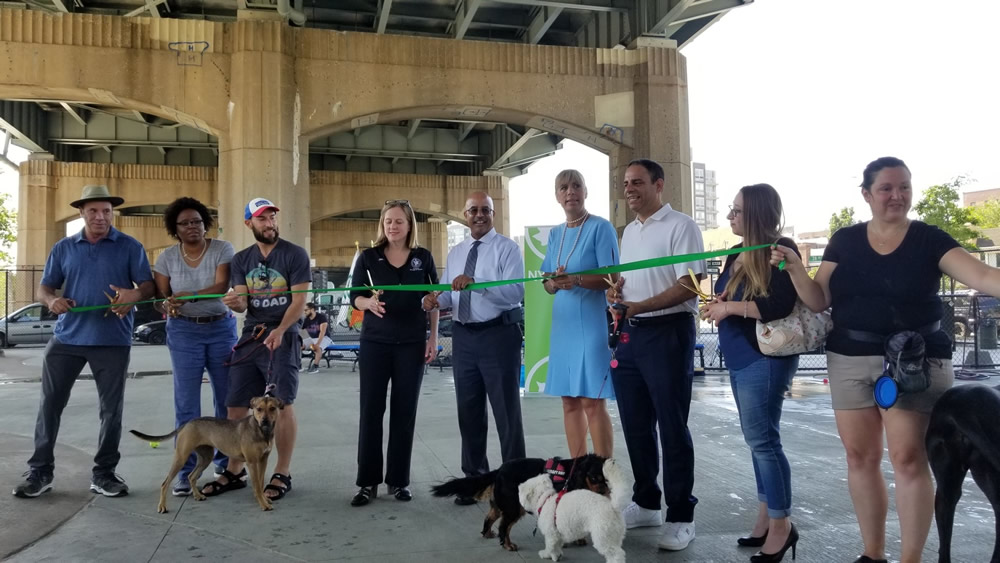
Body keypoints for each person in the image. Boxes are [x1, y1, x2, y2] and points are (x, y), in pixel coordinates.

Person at [770, 156, 1000, 563]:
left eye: (904, 187)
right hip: (849, 356)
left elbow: (982, 277)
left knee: (909, 458)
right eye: (887, 188)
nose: (897, 195)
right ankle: (872, 554)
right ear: (866, 194)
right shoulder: (845, 240)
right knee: (860, 457)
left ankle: (911, 558)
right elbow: (819, 298)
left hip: (916, 361)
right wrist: (794, 270)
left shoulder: (929, 238)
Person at [13, 184, 154, 499]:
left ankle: (104, 474)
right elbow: (45, 288)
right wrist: (52, 302)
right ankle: (40, 472)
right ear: (81, 213)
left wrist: (135, 294)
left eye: (106, 211)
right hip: (67, 339)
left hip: (113, 341)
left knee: (111, 411)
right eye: (93, 211)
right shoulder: (63, 248)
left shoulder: (130, 246)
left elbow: (148, 286)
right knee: (50, 405)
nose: (101, 217)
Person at [607, 159, 705, 551]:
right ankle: (647, 502)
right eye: (625, 183)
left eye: (637, 182)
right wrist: (617, 293)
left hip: (668, 333)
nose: (629, 189)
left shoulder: (682, 226)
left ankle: (681, 515)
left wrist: (639, 306)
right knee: (635, 424)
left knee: (672, 426)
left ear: (659, 185)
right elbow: (626, 281)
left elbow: (690, 286)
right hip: (632, 334)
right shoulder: (628, 231)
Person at [699, 184, 800, 562]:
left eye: (737, 211)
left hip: (766, 357)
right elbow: (737, 297)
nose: (730, 217)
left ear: (756, 214)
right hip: (741, 356)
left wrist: (730, 309)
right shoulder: (735, 252)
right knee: (757, 441)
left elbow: (779, 304)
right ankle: (766, 518)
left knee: (764, 442)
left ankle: (781, 525)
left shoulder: (779, 249)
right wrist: (722, 302)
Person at [200, 197, 310, 502]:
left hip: (283, 333)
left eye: (273, 217)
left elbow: (299, 301)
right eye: (262, 218)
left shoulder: (294, 254)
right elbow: (244, 300)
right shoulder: (242, 260)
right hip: (252, 333)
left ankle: (282, 471)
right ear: (249, 223)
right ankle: (236, 469)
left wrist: (281, 330)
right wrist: (236, 302)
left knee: (281, 404)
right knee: (235, 403)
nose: (270, 223)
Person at [422, 191, 526, 506]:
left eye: (485, 210)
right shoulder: (456, 252)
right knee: (469, 412)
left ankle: (515, 482)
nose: (479, 215)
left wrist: (476, 281)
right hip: (464, 338)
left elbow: (515, 292)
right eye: (473, 210)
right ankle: (474, 479)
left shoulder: (508, 249)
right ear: (465, 215)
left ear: (493, 213)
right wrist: (433, 299)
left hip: (498, 335)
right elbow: (448, 294)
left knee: (506, 412)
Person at [349, 200, 439, 506]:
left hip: (412, 344)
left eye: (399, 221)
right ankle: (367, 483)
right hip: (375, 343)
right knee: (371, 411)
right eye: (388, 221)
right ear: (382, 224)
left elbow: (433, 299)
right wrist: (368, 304)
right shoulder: (368, 257)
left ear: (409, 224)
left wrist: (433, 338)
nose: (393, 226)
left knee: (405, 412)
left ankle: (399, 481)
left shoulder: (422, 258)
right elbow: (354, 297)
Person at [153, 197, 238, 497]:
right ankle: (185, 472)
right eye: (185, 223)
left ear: (205, 223)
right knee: (186, 404)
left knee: (226, 400)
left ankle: (225, 464)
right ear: (174, 229)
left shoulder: (222, 249)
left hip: (220, 328)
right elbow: (162, 297)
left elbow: (222, 284)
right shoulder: (166, 258)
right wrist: (168, 305)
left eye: (197, 221)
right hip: (184, 333)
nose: (192, 227)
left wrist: (188, 296)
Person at [539, 170, 620, 458]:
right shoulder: (555, 234)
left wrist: (575, 280)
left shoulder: (601, 227)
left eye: (576, 186)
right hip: (563, 325)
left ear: (586, 191)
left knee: (592, 402)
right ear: (557, 195)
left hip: (591, 324)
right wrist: (555, 283)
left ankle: (603, 474)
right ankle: (578, 471)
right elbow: (547, 283)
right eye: (564, 187)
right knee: (569, 402)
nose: (570, 191)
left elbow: (612, 277)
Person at [301, 303, 332, 373]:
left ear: (312, 309)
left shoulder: (321, 317)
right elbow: (299, 330)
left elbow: (322, 332)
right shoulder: (306, 320)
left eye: (306, 310)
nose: (304, 312)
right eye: (303, 310)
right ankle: (299, 365)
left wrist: (317, 344)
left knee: (316, 347)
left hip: (324, 338)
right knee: (298, 345)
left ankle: (315, 366)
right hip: (312, 339)